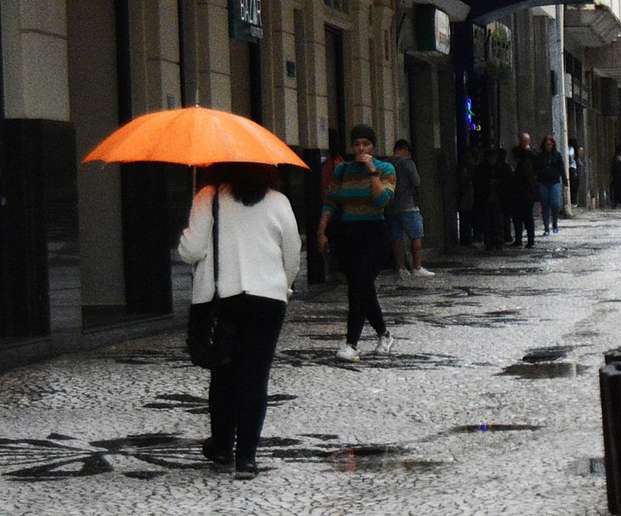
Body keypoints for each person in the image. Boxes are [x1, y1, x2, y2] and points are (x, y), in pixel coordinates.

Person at [178, 164, 301, 480]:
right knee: (255, 376)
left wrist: (186, 235)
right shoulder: (278, 201)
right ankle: (247, 458)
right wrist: (282, 285)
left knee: (223, 374)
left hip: (224, 298)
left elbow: (190, 252)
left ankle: (221, 447)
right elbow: (292, 253)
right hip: (268, 300)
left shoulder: (209, 196)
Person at [317, 124, 396, 362]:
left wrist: (372, 171)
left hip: (374, 232)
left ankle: (351, 343)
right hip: (349, 232)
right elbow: (331, 201)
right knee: (362, 287)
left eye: (366, 144)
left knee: (358, 287)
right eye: (357, 144)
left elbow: (382, 199)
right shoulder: (342, 170)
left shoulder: (386, 169)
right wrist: (321, 231)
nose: (361, 148)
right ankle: (384, 334)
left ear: (373, 146)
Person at [387, 139, 434, 278]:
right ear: (405, 150)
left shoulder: (387, 163)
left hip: (391, 206)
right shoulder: (408, 163)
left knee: (397, 238)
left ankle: (401, 268)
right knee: (416, 235)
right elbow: (417, 181)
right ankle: (417, 266)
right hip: (408, 205)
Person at [510, 133, 538, 248]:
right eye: (522, 140)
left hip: (527, 192)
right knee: (518, 217)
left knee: (527, 217)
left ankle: (530, 240)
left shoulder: (530, 156)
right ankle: (519, 239)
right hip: (518, 191)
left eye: (525, 141)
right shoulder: (518, 153)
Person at [535, 135, 566, 235]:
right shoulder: (540, 156)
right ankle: (546, 228)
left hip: (554, 182)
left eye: (550, 144)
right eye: (546, 144)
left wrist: (565, 180)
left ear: (553, 145)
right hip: (543, 182)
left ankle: (555, 224)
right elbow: (536, 169)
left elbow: (561, 168)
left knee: (555, 204)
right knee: (545, 205)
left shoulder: (557, 155)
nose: (548, 146)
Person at [457, 148, 477, 246]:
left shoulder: (467, 168)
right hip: (467, 196)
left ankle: (467, 238)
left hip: (468, 196)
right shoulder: (465, 169)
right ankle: (467, 238)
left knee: (467, 218)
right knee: (466, 217)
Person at [568, 138, 580, 207]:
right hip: (573, 168)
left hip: (571, 168)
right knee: (574, 186)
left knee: (573, 185)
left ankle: (573, 201)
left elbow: (570, 157)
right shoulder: (574, 149)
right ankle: (574, 201)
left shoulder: (571, 149)